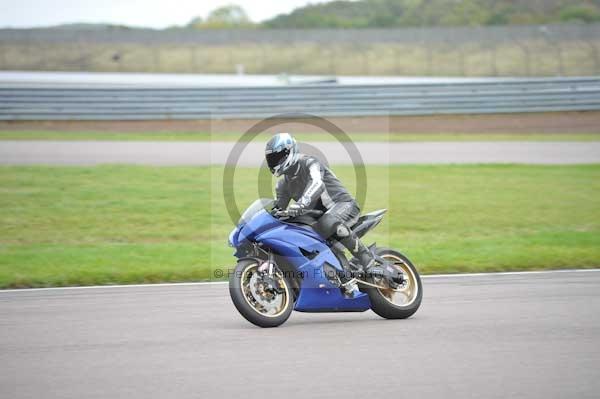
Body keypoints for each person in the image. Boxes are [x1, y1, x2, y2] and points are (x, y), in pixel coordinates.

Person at [265, 132, 381, 276]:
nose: (275, 161)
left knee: (327, 222)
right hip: (319, 218)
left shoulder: (310, 163)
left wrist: (302, 204)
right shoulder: (282, 184)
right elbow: (277, 210)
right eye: (272, 159)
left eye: (278, 157)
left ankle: (366, 258)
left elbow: (317, 183)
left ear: (290, 151)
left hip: (344, 205)